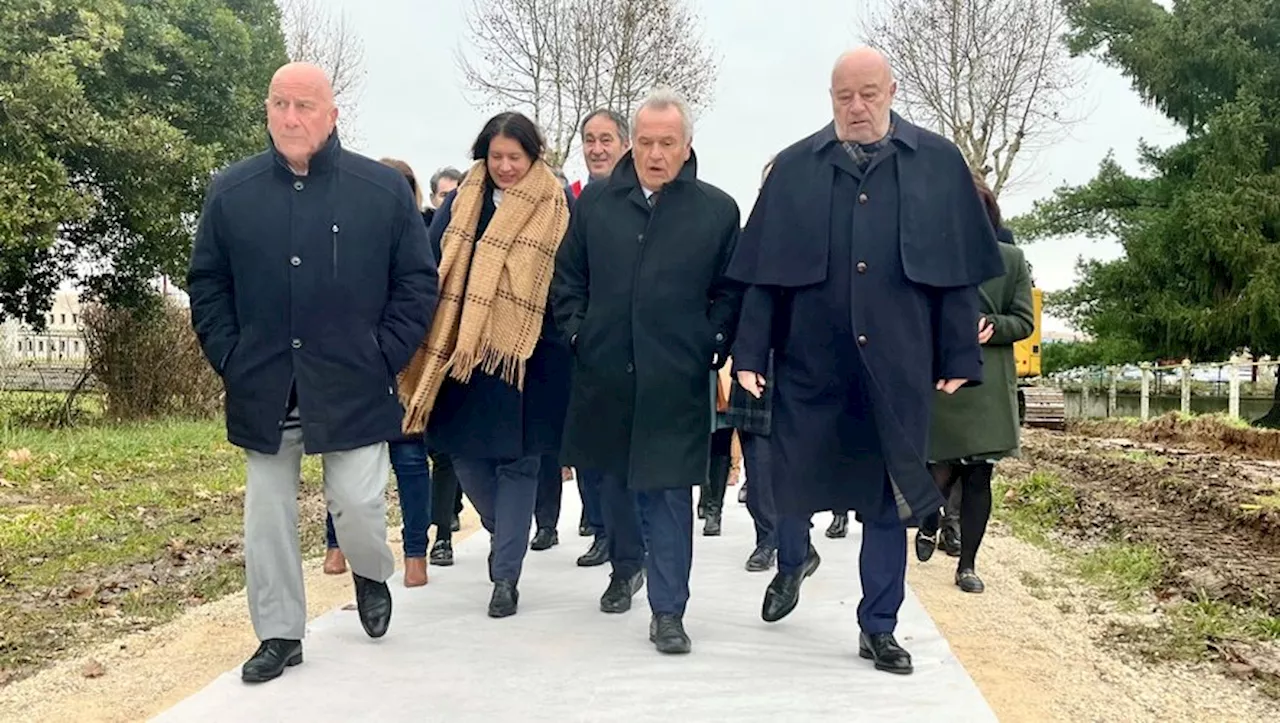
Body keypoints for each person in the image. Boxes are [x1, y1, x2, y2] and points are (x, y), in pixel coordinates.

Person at [727, 48, 1003, 676]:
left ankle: (879, 626)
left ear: (891, 90)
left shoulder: (937, 162)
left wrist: (960, 350)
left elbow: (958, 274)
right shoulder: (796, 167)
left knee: (888, 500)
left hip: (897, 364)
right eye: (844, 96)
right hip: (810, 362)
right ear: (830, 97)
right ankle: (792, 562)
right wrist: (749, 352)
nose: (856, 108)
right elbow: (764, 277)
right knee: (792, 480)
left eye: (869, 94)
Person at [187, 62, 438, 683]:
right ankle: (279, 634)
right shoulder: (231, 190)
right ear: (266, 109)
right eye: (279, 104)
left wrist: (385, 353)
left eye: (304, 105)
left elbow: (416, 283)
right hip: (264, 383)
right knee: (267, 517)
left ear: (332, 114)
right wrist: (231, 355)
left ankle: (370, 569)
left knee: (356, 503)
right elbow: (208, 283)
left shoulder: (379, 191)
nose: (290, 118)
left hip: (352, 381)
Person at [553, 88, 742, 655]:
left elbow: (730, 292)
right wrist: (581, 332)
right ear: (632, 144)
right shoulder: (596, 205)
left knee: (666, 494)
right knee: (611, 480)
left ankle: (668, 611)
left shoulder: (716, 210)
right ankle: (625, 568)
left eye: (668, 143)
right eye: (646, 142)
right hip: (606, 372)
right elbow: (568, 280)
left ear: (686, 147)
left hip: (673, 377)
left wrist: (709, 341)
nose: (655, 153)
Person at [398, 111, 572, 619]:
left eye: (514, 157)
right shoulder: (462, 201)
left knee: (518, 463)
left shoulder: (555, 205)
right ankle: (507, 533)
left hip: (525, 356)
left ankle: (506, 576)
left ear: (532, 155)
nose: (504, 166)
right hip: (464, 353)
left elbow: (567, 277)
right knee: (467, 460)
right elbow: (432, 262)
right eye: (496, 157)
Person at [915, 171, 1034, 594]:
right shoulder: (931, 257)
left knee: (981, 474)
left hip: (988, 383)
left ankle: (967, 564)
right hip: (944, 377)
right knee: (938, 468)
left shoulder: (1011, 260)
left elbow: (1023, 321)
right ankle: (930, 520)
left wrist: (991, 325)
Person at [322, 158, 435, 589]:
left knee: (406, 459)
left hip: (402, 358)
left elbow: (423, 295)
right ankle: (338, 546)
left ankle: (413, 554)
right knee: (346, 456)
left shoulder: (422, 232)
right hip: (354, 359)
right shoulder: (346, 228)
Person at [566, 108, 632, 567]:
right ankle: (602, 529)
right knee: (590, 448)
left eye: (606, 139)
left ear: (624, 144)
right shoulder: (576, 202)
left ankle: (629, 539)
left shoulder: (643, 199)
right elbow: (567, 276)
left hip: (636, 348)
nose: (597, 148)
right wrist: (575, 331)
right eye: (590, 139)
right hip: (588, 347)